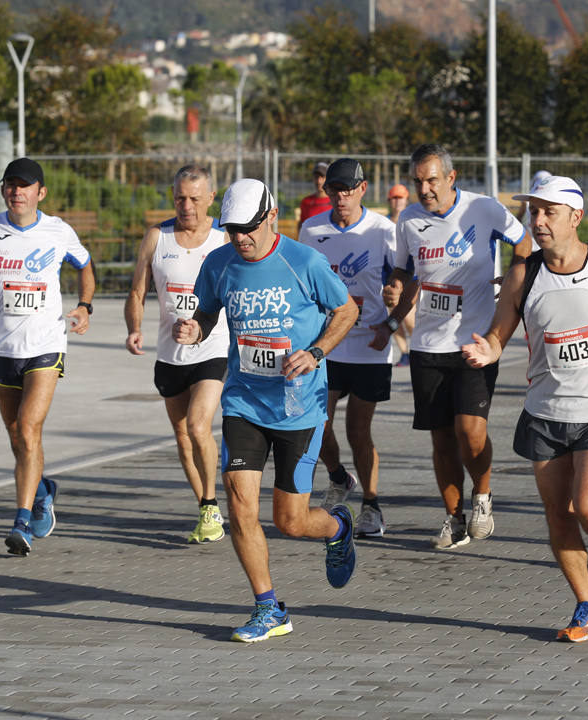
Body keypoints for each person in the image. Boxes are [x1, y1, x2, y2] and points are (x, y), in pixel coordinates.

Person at [461, 175, 588, 642]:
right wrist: (489, 349)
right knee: (559, 516)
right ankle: (586, 606)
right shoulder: (524, 276)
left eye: (548, 212)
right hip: (544, 413)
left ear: (575, 217)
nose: (538, 221)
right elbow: (500, 330)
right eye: (533, 212)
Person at [173, 178, 360, 642]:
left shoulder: (304, 262)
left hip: (299, 406)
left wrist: (316, 353)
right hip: (244, 401)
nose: (241, 238)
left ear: (271, 216)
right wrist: (195, 330)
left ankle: (338, 527)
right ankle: (268, 606)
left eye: (249, 228)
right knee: (239, 503)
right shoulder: (218, 263)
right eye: (232, 229)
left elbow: (347, 310)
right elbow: (208, 313)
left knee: (290, 521)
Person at [374, 143, 530, 550]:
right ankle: (453, 519)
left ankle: (482, 494)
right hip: (428, 345)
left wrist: (515, 277)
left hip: (475, 340)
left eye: (432, 180)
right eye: (418, 181)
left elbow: (525, 243)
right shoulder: (408, 220)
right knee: (442, 439)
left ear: (451, 177)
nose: (425, 189)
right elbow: (405, 274)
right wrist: (392, 312)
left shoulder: (484, 209)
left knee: (470, 432)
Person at [0, 157, 95, 556]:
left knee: (28, 428)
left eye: (25, 185)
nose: (17, 191)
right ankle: (43, 489)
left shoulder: (58, 231)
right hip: (0, 347)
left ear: (40, 193)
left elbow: (85, 266)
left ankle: (21, 523)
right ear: (3, 190)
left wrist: (84, 306)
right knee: (17, 435)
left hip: (45, 344)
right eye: (10, 184)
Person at [125, 165, 229, 543]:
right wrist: (134, 328)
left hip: (213, 349)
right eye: (180, 199)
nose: (186, 206)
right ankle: (206, 507)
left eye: (194, 199)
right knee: (183, 435)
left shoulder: (224, 239)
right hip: (169, 356)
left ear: (211, 199)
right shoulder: (158, 237)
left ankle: (212, 503)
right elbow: (137, 293)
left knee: (200, 425)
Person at [299, 158, 397, 537]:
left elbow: (406, 279)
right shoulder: (311, 229)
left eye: (348, 189)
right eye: (334, 190)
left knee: (358, 428)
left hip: (370, 345)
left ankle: (372, 506)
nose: (341, 196)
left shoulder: (383, 231)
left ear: (362, 189)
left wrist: (390, 322)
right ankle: (339, 477)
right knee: (315, 421)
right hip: (328, 343)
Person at [387, 183, 416, 366]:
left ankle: (416, 347)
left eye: (401, 197)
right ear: (390, 200)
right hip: (391, 275)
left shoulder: (412, 221)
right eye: (394, 198)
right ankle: (405, 353)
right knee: (393, 318)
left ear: (406, 199)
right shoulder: (385, 223)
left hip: (411, 276)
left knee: (408, 318)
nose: (398, 201)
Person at [297, 161, 332, 233]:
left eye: (322, 177)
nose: (319, 181)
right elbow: (301, 225)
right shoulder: (306, 202)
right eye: (316, 177)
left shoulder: (336, 201)